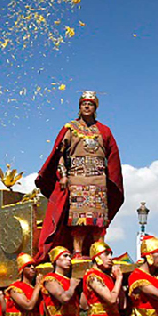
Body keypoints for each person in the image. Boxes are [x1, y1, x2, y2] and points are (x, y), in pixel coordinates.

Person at [35, 91, 124, 260]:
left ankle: (99, 251)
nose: (87, 106)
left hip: (98, 180)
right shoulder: (70, 128)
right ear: (79, 107)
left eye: (90, 104)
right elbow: (59, 154)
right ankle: (77, 252)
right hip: (77, 178)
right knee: (78, 219)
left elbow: (112, 156)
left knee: (99, 220)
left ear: (95, 107)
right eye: (84, 103)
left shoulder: (104, 131)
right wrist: (63, 175)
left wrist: (111, 179)